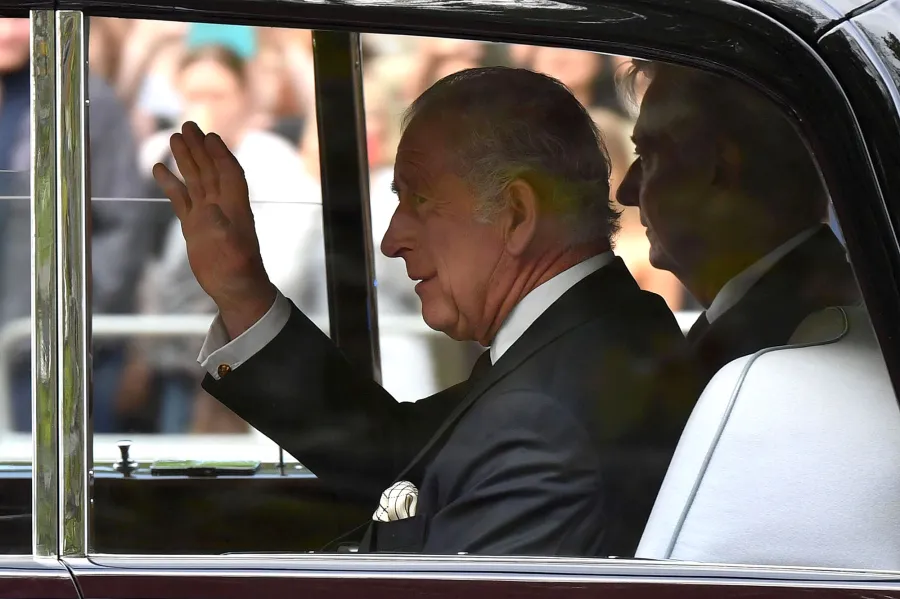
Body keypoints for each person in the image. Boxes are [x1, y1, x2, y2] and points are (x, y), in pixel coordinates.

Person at [153, 67, 700, 556]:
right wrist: (243, 292)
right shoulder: (589, 340)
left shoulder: (547, 412)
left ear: (516, 214)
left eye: (418, 199)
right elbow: (403, 460)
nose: (391, 241)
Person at [616, 61, 860, 382]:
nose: (625, 192)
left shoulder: (784, 347)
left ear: (719, 166)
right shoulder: (809, 307)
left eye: (647, 157)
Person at [0, 17, 152, 434]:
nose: (9, 32)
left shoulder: (85, 101)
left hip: (50, 351)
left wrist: (68, 315)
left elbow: (122, 223)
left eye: (18, 18)